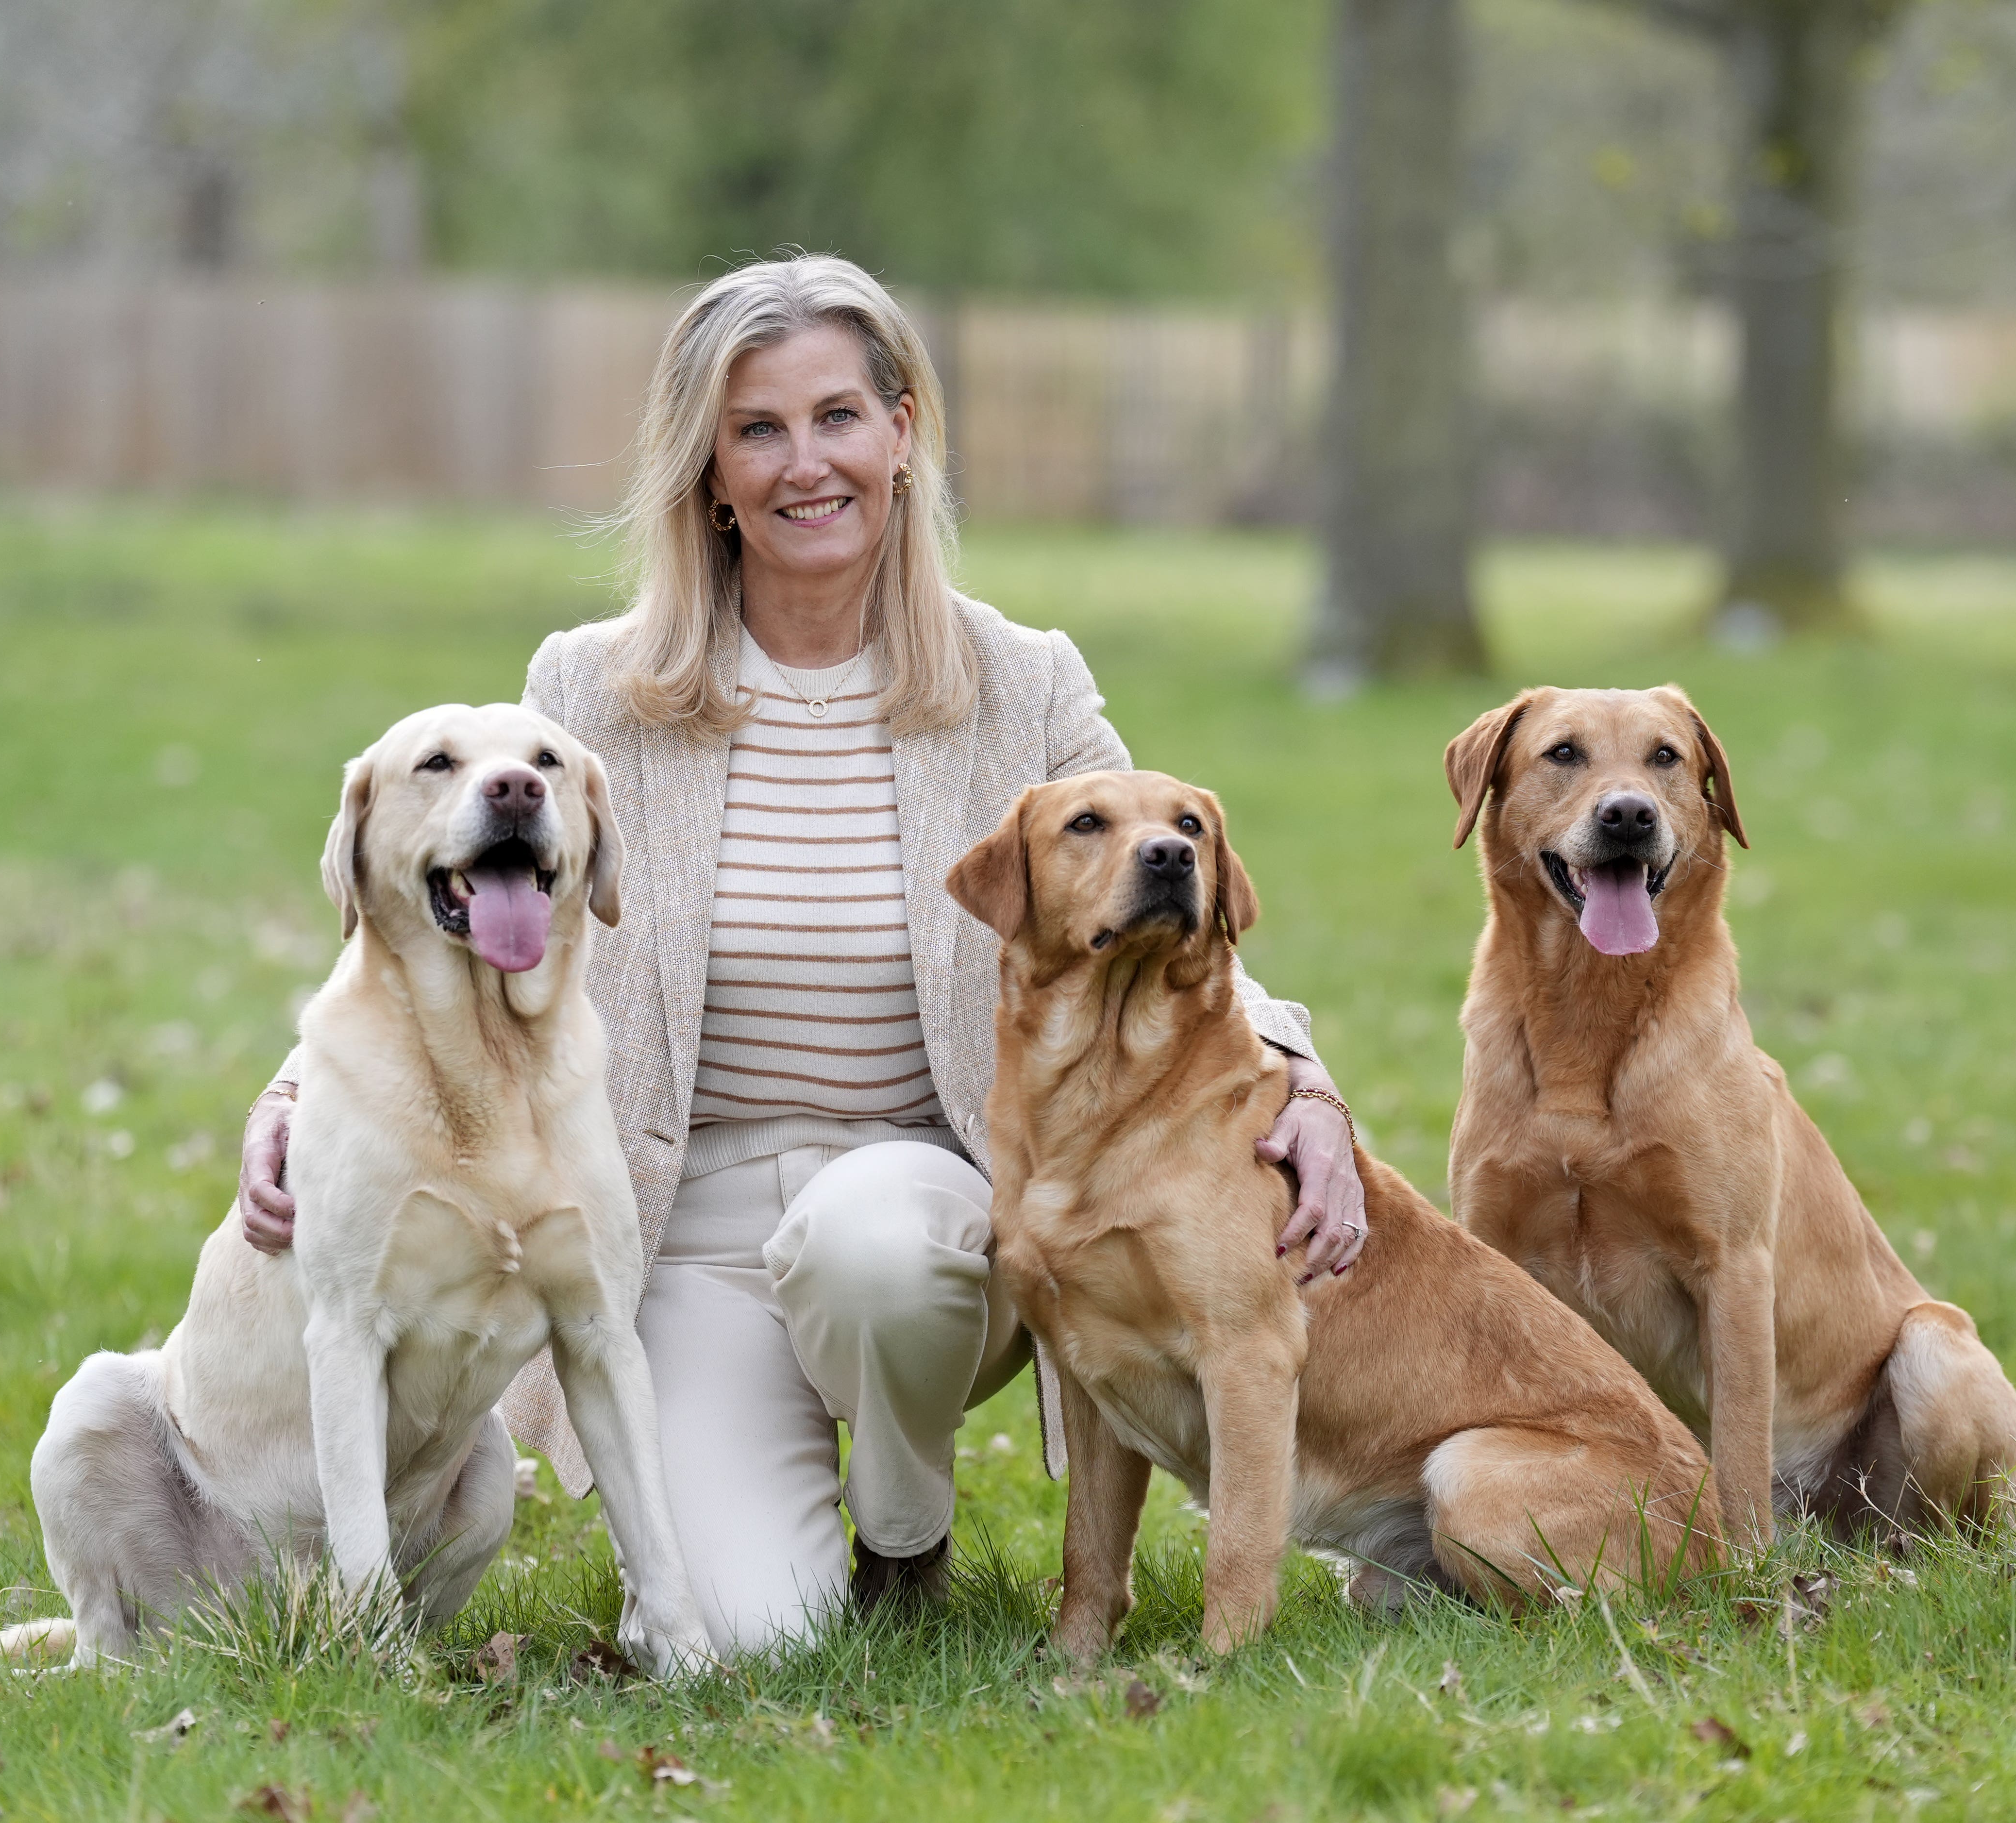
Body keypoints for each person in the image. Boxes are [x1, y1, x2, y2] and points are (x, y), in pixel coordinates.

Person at [235, 253, 1367, 1658]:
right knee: (751, 1636)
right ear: (708, 470)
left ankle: (907, 1535)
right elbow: (441, 917)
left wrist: (1304, 1082)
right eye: (757, 429)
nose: (804, 463)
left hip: (928, 1201)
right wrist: (297, 1095)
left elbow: (1153, 904)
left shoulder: (1024, 683)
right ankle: (802, 1557)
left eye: (839, 417)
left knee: (876, 1242)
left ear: (903, 433)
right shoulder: (589, 692)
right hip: (685, 1225)